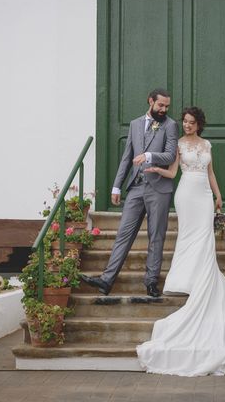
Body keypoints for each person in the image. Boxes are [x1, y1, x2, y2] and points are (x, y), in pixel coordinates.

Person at [136, 106, 225, 376]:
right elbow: (174, 173)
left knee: (205, 237)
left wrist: (218, 195)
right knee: (189, 236)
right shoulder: (178, 144)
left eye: (190, 122)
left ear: (199, 124)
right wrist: (155, 169)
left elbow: (210, 172)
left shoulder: (207, 144)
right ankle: (185, 279)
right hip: (186, 193)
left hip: (204, 195)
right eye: (184, 122)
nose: (186, 125)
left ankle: (202, 276)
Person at [81, 89, 179, 297]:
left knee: (156, 236)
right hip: (135, 187)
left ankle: (151, 282)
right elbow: (127, 158)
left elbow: (170, 155)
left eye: (167, 106)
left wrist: (149, 155)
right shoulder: (135, 124)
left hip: (159, 189)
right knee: (123, 234)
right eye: (161, 105)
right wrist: (116, 186)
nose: (164, 109)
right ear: (150, 101)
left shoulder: (170, 125)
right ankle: (107, 280)